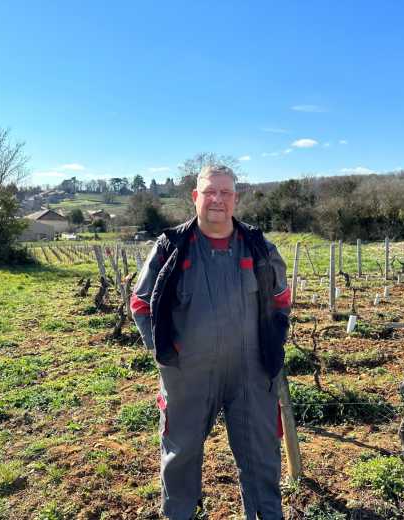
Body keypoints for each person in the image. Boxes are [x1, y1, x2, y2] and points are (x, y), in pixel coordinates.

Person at [131, 165, 291, 520]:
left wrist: (272, 349)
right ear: (195, 197)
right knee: (181, 457)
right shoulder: (170, 248)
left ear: (235, 198)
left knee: (262, 458)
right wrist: (165, 356)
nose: (217, 199)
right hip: (188, 373)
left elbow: (281, 301)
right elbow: (141, 303)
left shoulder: (260, 248)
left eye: (226, 192)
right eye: (209, 192)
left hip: (252, 372)